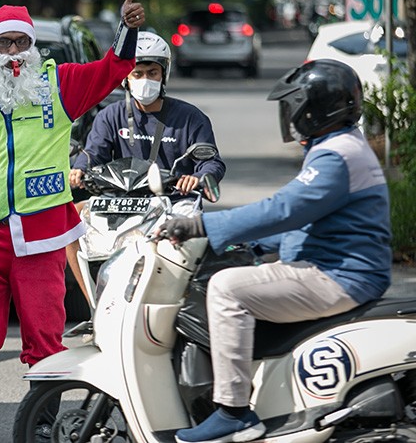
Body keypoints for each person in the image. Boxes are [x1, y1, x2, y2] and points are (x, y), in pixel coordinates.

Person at [0, 0, 145, 443]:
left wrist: (127, 29)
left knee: (44, 333)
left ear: (33, 46)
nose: (13, 53)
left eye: (21, 43)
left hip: (43, 232)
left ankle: (42, 424)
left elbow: (112, 70)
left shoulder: (59, 84)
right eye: (4, 43)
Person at [157, 59, 391, 443]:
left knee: (227, 289)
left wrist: (204, 224)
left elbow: (285, 209)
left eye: (295, 104)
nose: (291, 114)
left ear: (315, 107)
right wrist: (250, 244)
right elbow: (310, 221)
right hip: (336, 267)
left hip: (339, 275)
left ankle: (234, 412)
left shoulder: (337, 156)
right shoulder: (338, 147)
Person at [66, 31, 226, 299]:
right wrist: (80, 168)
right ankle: (95, 307)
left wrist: (198, 179)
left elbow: (211, 162)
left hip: (174, 201)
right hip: (120, 200)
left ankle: (176, 303)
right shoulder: (110, 116)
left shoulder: (191, 118)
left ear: (164, 74)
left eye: (152, 72)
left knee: (185, 242)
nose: (145, 80)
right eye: (137, 73)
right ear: (125, 78)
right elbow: (93, 152)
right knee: (70, 223)